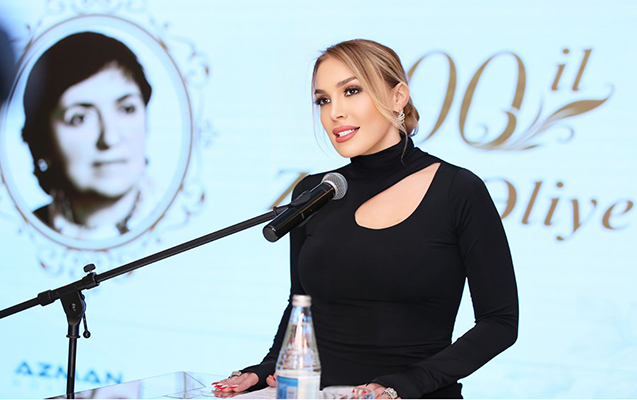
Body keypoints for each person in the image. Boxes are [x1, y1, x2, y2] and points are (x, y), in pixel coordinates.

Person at [213, 39, 519, 399]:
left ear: (397, 96)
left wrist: (405, 384)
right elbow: (300, 307)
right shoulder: (315, 192)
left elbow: (500, 323)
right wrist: (267, 368)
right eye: (323, 100)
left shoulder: (458, 190)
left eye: (351, 91)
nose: (334, 113)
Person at [21, 31, 156, 240]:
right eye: (80, 118)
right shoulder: (20, 237)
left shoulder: (185, 226)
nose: (109, 138)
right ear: (43, 139)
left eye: (127, 109)